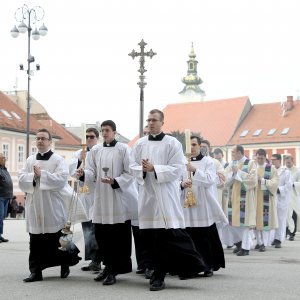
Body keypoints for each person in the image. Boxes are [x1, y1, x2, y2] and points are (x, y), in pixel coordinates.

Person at [130, 109, 206, 291]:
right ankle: (154, 270)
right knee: (150, 238)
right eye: (148, 120)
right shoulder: (140, 144)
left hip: (166, 196)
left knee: (167, 237)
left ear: (162, 122)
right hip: (147, 196)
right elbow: (131, 166)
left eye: (154, 120)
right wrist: (142, 170)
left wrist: (154, 168)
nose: (150, 123)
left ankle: (161, 274)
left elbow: (177, 168)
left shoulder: (172, 143)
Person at [77, 120, 137, 286]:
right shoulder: (95, 150)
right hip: (101, 198)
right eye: (102, 130)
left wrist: (116, 181)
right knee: (102, 236)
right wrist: (83, 174)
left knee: (117, 236)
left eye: (107, 130)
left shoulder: (123, 149)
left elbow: (130, 172)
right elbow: (91, 171)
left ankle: (114, 269)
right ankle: (106, 266)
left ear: (114, 132)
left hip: (117, 198)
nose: (104, 133)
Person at [18, 128, 81, 282]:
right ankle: (35, 272)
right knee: (35, 241)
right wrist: (34, 176)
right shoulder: (30, 160)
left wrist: (42, 175)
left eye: (43, 138)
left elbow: (61, 179)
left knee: (58, 240)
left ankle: (64, 263)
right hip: (35, 205)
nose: (40, 141)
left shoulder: (58, 160)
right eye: (38, 138)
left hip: (52, 205)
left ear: (50, 142)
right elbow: (21, 178)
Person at [181, 135, 228, 277]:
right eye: (189, 145)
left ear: (200, 146)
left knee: (203, 235)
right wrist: (182, 185)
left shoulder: (208, 161)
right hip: (187, 203)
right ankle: (191, 266)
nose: (192, 148)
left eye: (194, 144)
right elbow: (178, 180)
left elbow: (209, 180)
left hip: (203, 204)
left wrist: (194, 170)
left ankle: (208, 265)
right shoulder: (182, 162)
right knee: (188, 235)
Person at [69, 127, 102, 272]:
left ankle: (98, 259)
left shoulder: (101, 151)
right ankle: (92, 260)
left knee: (96, 230)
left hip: (96, 194)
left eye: (92, 137)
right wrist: (78, 160)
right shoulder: (79, 153)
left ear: (97, 138)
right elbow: (72, 173)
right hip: (83, 194)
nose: (89, 139)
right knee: (87, 229)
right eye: (87, 137)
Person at [223, 145, 257, 256]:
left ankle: (246, 248)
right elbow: (224, 178)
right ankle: (239, 243)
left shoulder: (250, 163)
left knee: (245, 224)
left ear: (240, 152)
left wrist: (239, 172)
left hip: (245, 199)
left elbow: (253, 180)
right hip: (233, 198)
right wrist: (233, 174)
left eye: (233, 152)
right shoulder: (232, 164)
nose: (232, 155)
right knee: (231, 223)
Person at [253, 149, 279, 252]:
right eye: (258, 158)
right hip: (254, 198)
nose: (259, 160)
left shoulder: (271, 168)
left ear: (265, 157)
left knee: (264, 222)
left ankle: (263, 243)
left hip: (265, 199)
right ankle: (259, 242)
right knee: (255, 222)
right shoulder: (253, 168)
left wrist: (262, 180)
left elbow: (275, 182)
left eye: (261, 158)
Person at [270, 153, 292, 248]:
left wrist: (279, 189)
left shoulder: (286, 172)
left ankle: (279, 239)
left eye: (274, 160)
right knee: (273, 219)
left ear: (279, 160)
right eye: (271, 160)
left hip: (281, 198)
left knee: (280, 219)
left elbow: (289, 185)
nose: (272, 161)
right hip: (272, 198)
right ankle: (273, 239)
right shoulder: (270, 170)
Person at [284, 154, 300, 241]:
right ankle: (285, 232)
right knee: (285, 215)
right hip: (285, 195)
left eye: (289, 162)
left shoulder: (297, 171)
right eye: (286, 163)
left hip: (294, 196)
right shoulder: (284, 171)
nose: (288, 164)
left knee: (293, 214)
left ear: (292, 161)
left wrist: (293, 184)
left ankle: (292, 234)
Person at [0, 153, 13, 243]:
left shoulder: (4, 169)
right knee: (0, 216)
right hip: (0, 196)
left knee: (2, 217)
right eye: (3, 157)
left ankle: (0, 235)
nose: (5, 158)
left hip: (6, 197)